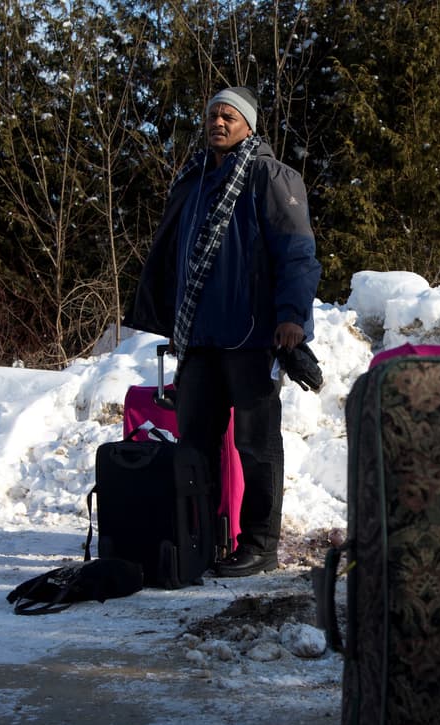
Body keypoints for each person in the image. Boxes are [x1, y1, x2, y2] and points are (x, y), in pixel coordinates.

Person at [126, 87, 321, 577]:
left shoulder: (269, 176)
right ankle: (202, 539)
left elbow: (297, 251)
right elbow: (175, 255)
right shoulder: (193, 178)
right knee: (195, 445)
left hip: (253, 336)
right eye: (213, 113)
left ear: (249, 125)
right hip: (198, 338)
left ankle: (259, 544)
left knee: (256, 447)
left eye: (229, 115)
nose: (218, 121)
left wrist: (292, 317)